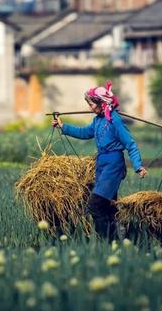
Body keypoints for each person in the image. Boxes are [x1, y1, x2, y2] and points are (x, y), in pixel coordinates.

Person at [52, 81, 147, 240]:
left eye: (91, 104)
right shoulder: (97, 120)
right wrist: (63, 127)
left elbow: (130, 143)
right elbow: (84, 132)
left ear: (101, 103)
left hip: (113, 165)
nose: (89, 107)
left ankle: (107, 240)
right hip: (101, 164)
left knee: (95, 205)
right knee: (109, 206)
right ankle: (119, 235)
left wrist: (138, 166)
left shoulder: (114, 120)